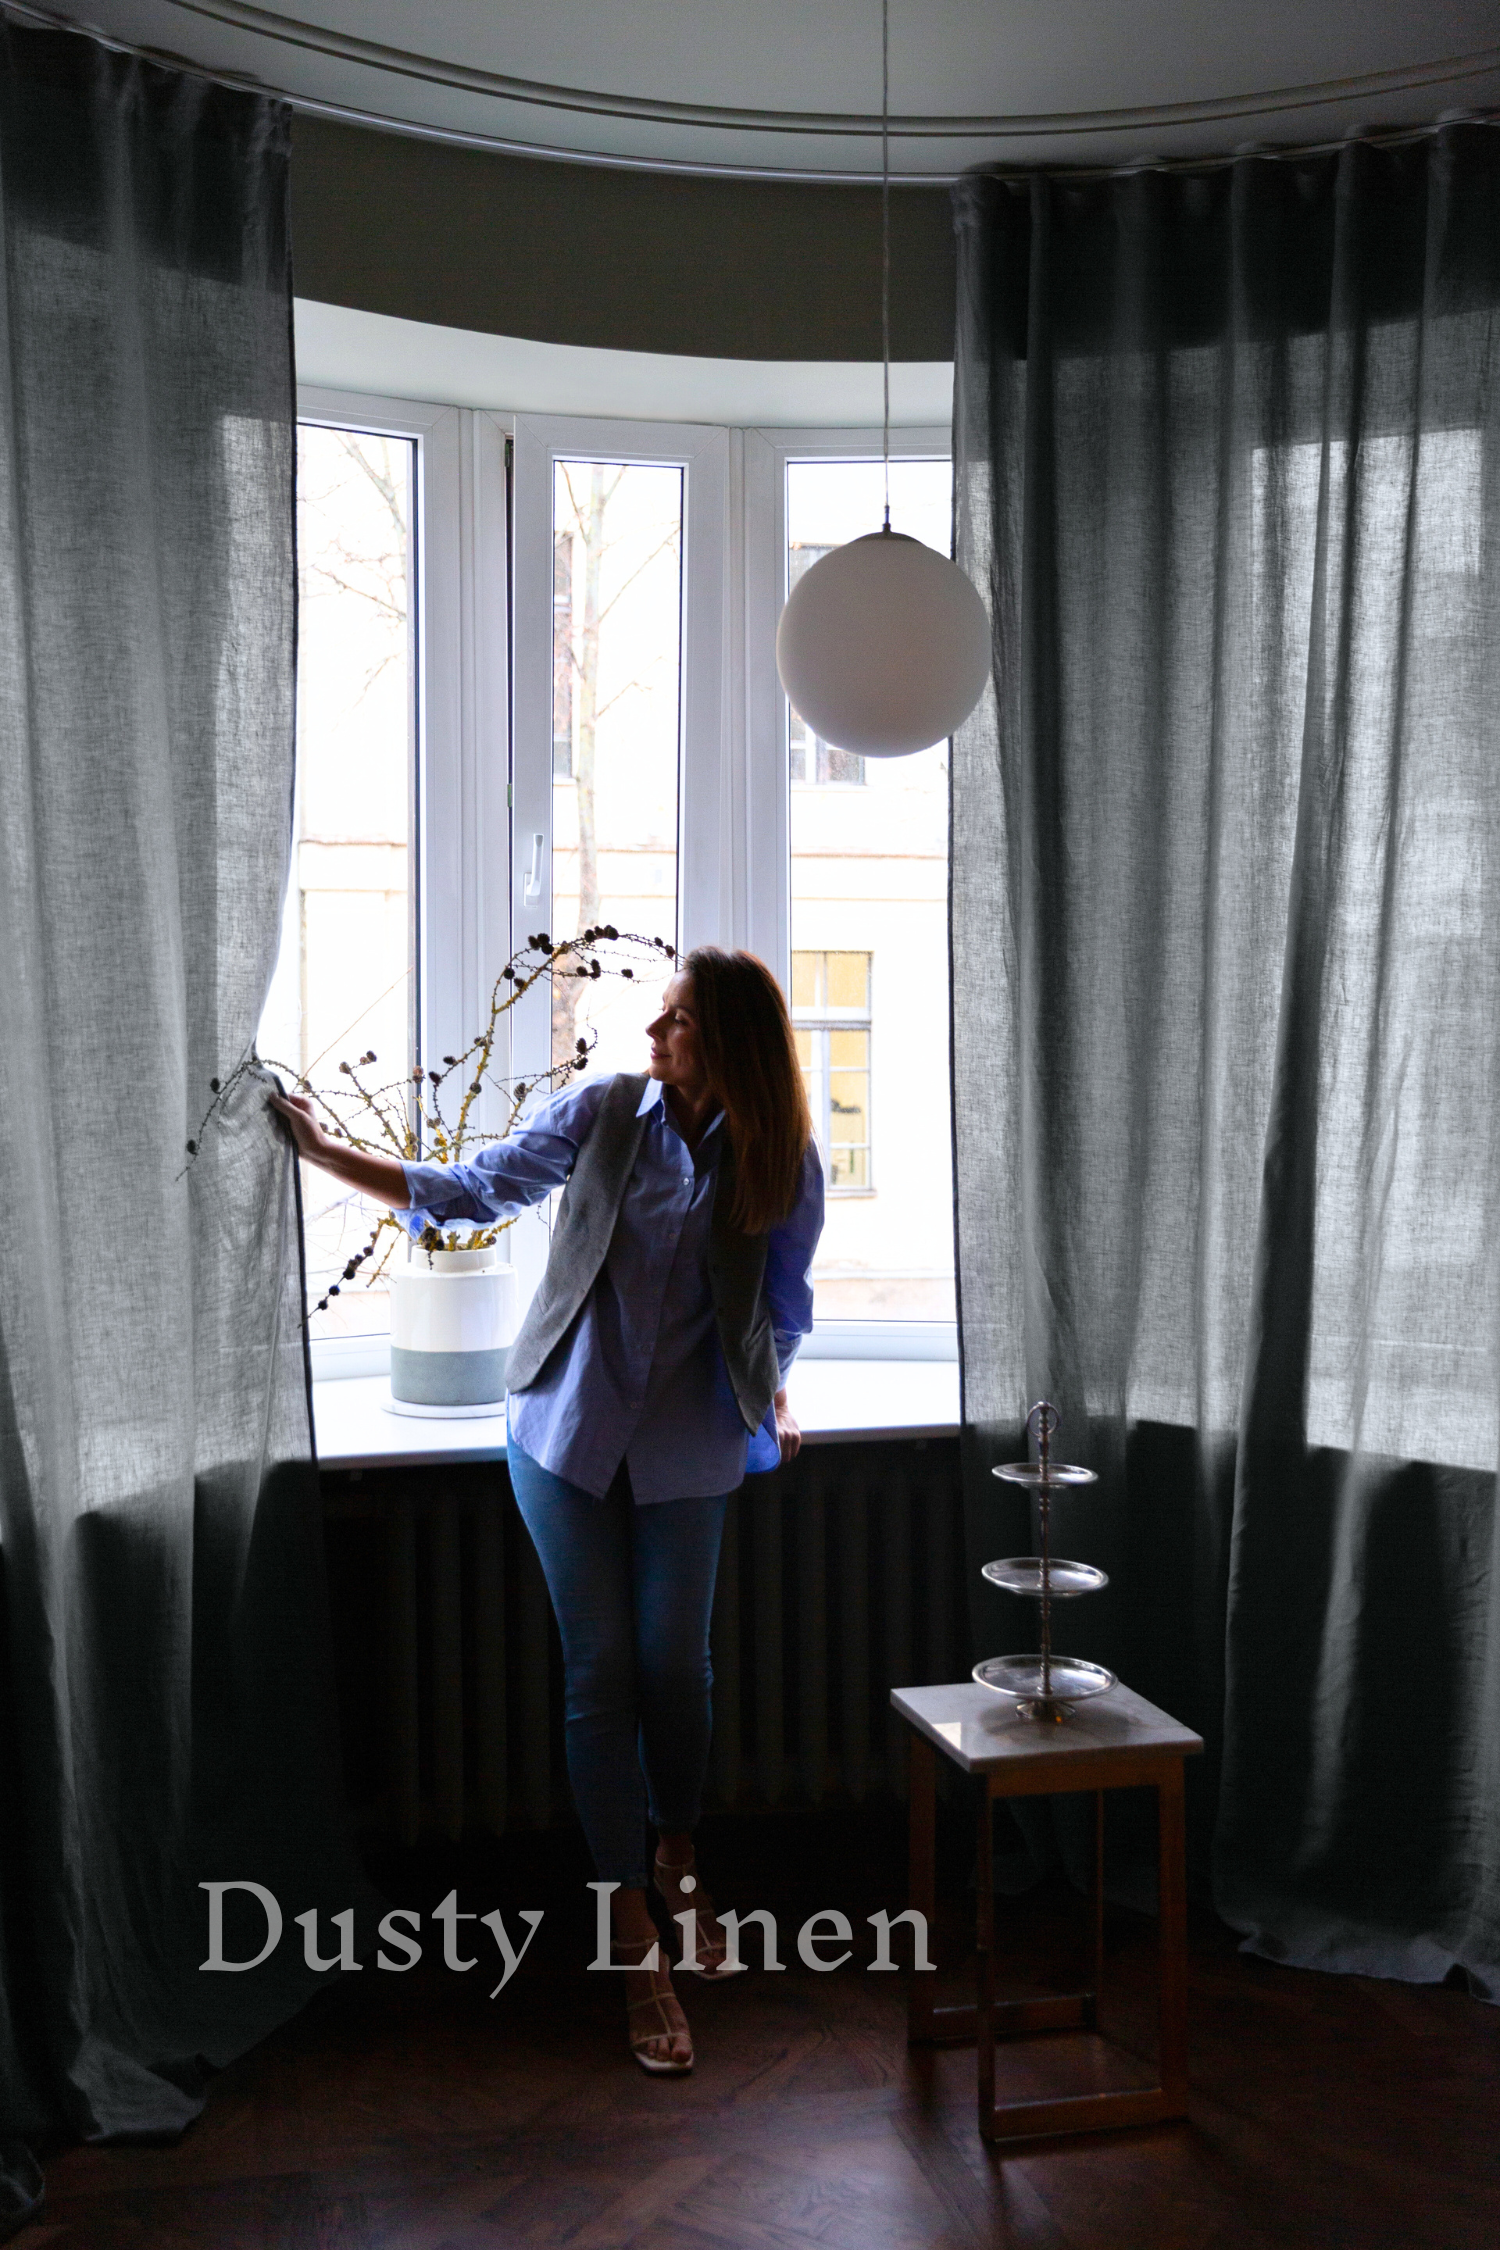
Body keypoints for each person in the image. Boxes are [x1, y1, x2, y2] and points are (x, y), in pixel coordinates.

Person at [270, 947, 824, 2075]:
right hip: (563, 1439)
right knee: (602, 1672)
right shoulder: (608, 1113)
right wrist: (331, 1155)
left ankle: (677, 1858)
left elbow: (786, 1298)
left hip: (688, 1447)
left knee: (679, 1667)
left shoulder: (784, 1161)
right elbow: (480, 1190)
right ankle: (637, 1944)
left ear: (727, 1044)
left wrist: (773, 1384)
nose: (651, 1038)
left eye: (673, 1023)